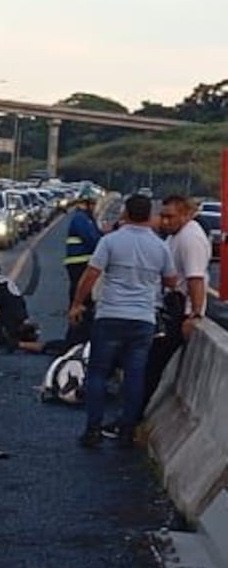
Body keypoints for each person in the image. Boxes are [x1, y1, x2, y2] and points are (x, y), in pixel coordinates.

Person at [67, 192, 177, 451]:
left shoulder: (110, 241)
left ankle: (93, 430)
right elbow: (171, 281)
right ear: (149, 216)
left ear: (125, 213)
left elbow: (91, 275)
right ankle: (127, 430)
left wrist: (77, 304)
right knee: (135, 375)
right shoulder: (160, 246)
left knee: (98, 373)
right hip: (143, 320)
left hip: (110, 316)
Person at [144, 193, 212, 403]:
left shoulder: (191, 239)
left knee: (151, 367)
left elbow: (195, 279)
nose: (165, 221)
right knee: (146, 363)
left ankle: (132, 418)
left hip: (180, 313)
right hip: (169, 308)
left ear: (186, 215)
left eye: (170, 217)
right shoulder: (176, 235)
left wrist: (195, 315)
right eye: (163, 216)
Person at [63, 189, 102, 339]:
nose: (95, 207)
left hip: (82, 263)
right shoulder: (81, 218)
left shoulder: (87, 218)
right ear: (86, 203)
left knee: (85, 300)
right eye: (93, 203)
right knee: (81, 300)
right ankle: (76, 336)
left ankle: (80, 334)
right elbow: (93, 239)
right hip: (79, 264)